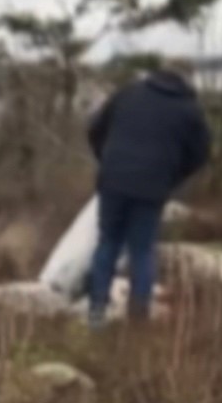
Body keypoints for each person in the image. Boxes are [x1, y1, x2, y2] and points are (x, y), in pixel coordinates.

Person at [85, 65, 212, 326]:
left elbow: (94, 130)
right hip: (152, 188)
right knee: (142, 250)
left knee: (108, 241)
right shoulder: (189, 109)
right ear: (186, 80)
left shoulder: (128, 93)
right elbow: (200, 154)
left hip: (113, 181)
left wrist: (107, 161)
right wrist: (172, 177)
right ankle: (139, 315)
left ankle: (97, 310)